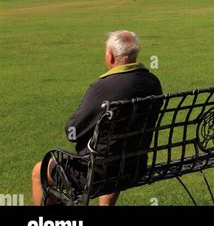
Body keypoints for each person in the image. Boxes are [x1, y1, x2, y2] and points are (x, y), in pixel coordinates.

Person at [32, 30, 162, 206]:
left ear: (110, 56)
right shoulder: (153, 82)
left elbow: (73, 132)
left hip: (98, 173)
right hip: (134, 166)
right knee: (113, 152)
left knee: (39, 171)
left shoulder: (103, 87)